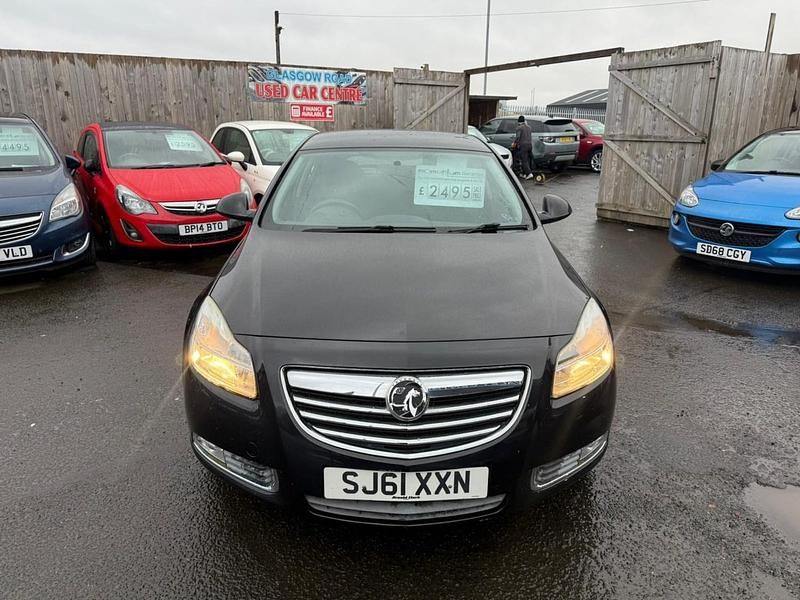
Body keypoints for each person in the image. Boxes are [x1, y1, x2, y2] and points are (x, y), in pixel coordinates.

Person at [511, 115, 533, 180]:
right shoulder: (529, 127)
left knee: (524, 160)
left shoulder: (519, 128)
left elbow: (518, 137)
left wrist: (514, 143)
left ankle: (529, 173)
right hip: (530, 145)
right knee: (528, 160)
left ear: (518, 121)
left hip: (523, 146)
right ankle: (524, 174)